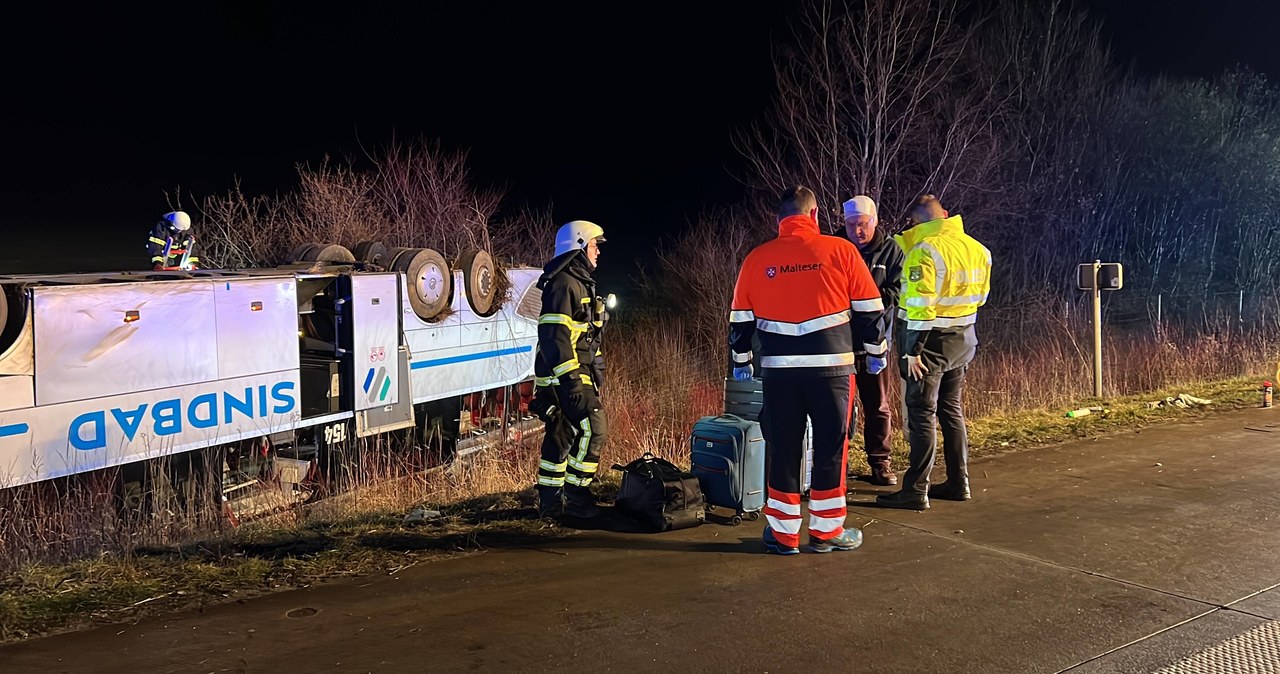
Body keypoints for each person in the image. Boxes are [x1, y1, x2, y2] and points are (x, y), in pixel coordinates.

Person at [729, 186, 887, 554]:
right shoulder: (842, 251)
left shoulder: (757, 259)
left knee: (783, 449)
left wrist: (742, 363)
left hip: (779, 374)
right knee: (832, 448)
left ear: (779, 220)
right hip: (832, 372)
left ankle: (783, 536)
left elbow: (739, 321)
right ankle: (826, 533)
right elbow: (870, 309)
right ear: (815, 216)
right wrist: (875, 352)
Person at [876, 195, 991, 511]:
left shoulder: (924, 251)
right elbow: (980, 298)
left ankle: (915, 490)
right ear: (946, 215)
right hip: (964, 339)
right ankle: (959, 481)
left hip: (929, 345)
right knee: (951, 410)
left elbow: (920, 308)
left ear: (916, 223)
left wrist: (912, 350)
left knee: (921, 412)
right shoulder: (978, 249)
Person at [530, 220, 609, 520]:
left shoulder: (577, 282)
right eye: (593, 246)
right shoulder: (565, 284)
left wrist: (596, 368)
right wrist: (572, 381)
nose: (598, 253)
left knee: (561, 437)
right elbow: (555, 338)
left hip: (574, 374)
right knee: (594, 428)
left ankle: (552, 505)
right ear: (578, 246)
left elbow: (584, 336)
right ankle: (575, 496)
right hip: (562, 378)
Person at [842, 195, 904, 486]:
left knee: (878, 405)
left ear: (875, 221)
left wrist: (869, 303)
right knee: (836, 408)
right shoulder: (835, 249)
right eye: (852, 224)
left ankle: (880, 463)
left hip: (875, 344)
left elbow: (898, 291)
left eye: (863, 224)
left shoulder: (891, 251)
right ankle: (835, 465)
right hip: (839, 343)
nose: (857, 231)